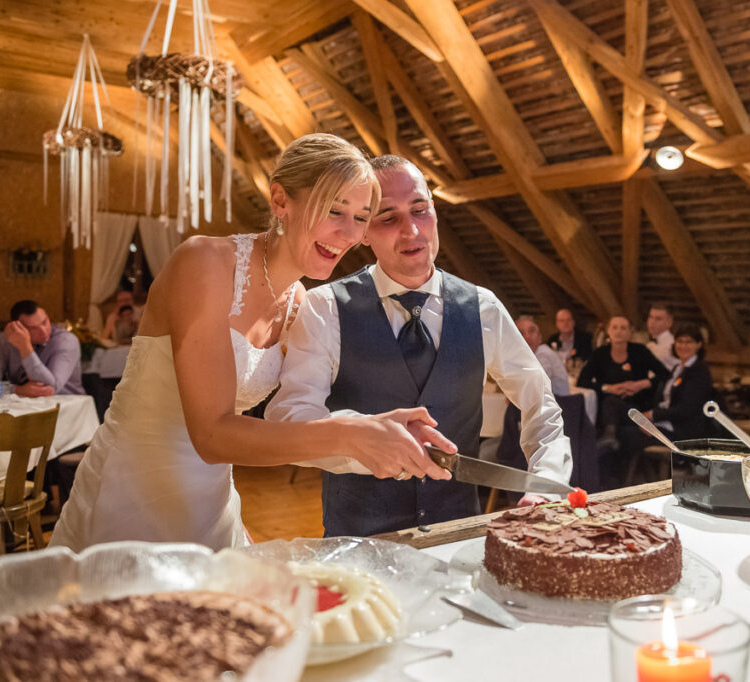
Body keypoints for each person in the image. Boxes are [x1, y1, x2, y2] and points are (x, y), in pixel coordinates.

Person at [51, 134, 451, 552]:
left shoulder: (299, 302)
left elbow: (293, 426)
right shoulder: (204, 263)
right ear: (281, 201)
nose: (347, 234)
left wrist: (379, 431)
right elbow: (211, 434)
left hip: (210, 503)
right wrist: (350, 434)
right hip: (129, 494)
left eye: (361, 217)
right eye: (334, 210)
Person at [267, 154, 572, 537]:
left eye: (420, 210)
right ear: (363, 232)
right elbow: (291, 417)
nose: (412, 231)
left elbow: (540, 405)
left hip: (458, 536)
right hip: (359, 540)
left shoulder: (483, 307)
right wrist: (367, 440)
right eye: (388, 218)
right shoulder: (324, 307)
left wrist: (545, 481)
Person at [576, 315, 670, 448]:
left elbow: (665, 374)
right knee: (610, 402)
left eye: (623, 328)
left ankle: (610, 436)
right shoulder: (600, 354)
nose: (618, 331)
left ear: (630, 333)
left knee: (611, 402)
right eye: (615, 327)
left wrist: (642, 384)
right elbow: (582, 381)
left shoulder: (640, 351)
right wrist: (608, 388)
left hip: (637, 408)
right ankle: (609, 438)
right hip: (606, 410)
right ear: (608, 331)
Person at [0, 300, 85, 396]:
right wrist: (17, 390)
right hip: (24, 405)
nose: (43, 331)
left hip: (69, 406)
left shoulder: (66, 341)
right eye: (33, 328)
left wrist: (25, 348)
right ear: (17, 328)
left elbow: (50, 388)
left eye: (44, 322)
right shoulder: (4, 341)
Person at [644, 322, 713, 441]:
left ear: (699, 345)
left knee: (630, 435)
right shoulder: (677, 368)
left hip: (682, 430)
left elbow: (687, 409)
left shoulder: (699, 371)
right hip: (663, 422)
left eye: (689, 342)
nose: (683, 346)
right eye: (680, 341)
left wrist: (653, 415)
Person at [516, 315, 570, 396]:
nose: (527, 336)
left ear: (540, 337)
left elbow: (535, 388)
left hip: (559, 405)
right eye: (521, 333)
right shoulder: (526, 357)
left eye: (531, 331)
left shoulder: (543, 354)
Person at [645, 302, 677, 371]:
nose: (652, 322)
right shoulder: (651, 344)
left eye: (658, 319)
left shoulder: (671, 346)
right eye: (650, 317)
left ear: (669, 322)